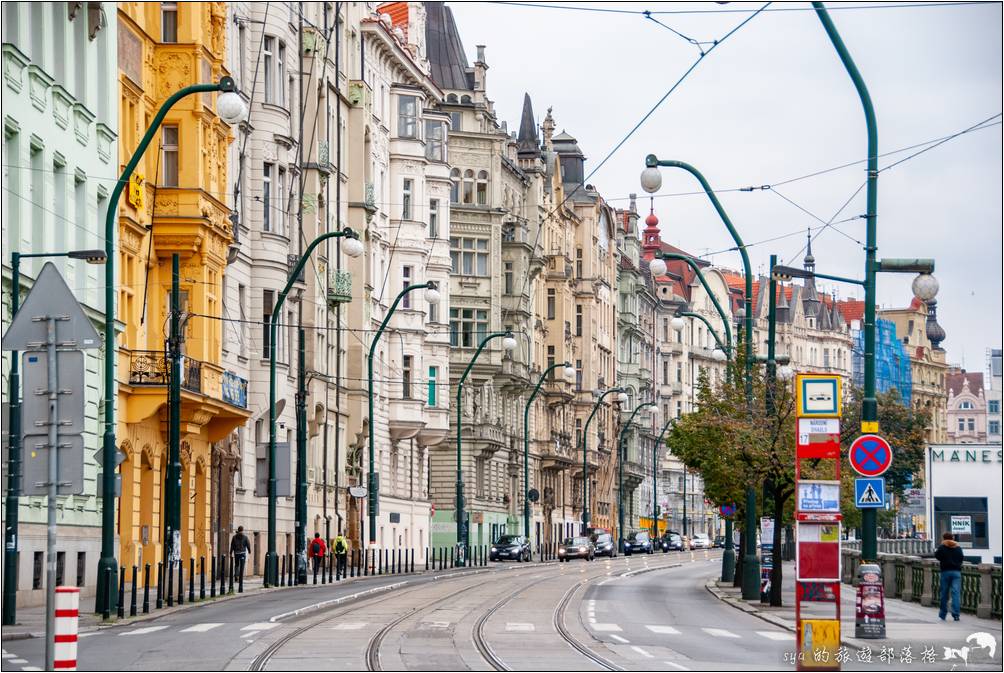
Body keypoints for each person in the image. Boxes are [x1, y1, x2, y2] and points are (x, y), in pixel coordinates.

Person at [934, 531, 964, 621]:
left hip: (945, 572)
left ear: (944, 538)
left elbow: (937, 556)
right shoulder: (958, 548)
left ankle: (943, 614)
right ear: (952, 538)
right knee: (956, 594)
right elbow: (961, 558)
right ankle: (956, 614)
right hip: (956, 572)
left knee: (944, 594)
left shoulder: (942, 547)